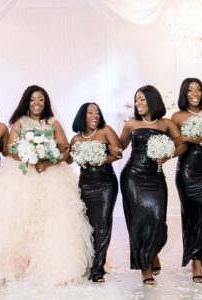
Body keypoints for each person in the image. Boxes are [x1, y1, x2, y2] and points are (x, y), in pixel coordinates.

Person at [0, 85, 93, 286]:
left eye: (40, 99)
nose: (36, 103)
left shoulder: (53, 122)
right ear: (26, 102)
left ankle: (49, 263)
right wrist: (30, 155)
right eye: (32, 99)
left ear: (45, 102)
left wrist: (48, 160)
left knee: (51, 219)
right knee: (16, 218)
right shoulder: (19, 123)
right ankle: (17, 263)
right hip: (21, 173)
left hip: (50, 174)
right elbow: (11, 149)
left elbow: (65, 148)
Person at [118, 85, 186, 285]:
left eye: (142, 99)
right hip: (132, 177)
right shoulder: (131, 124)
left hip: (155, 177)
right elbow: (120, 145)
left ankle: (152, 251)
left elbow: (181, 144)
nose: (138, 103)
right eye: (136, 99)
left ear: (152, 100)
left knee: (157, 220)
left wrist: (166, 156)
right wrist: (98, 140)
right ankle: (145, 266)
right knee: (138, 221)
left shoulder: (166, 123)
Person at [69, 102, 122, 282]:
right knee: (89, 225)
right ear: (82, 116)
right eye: (90, 112)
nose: (95, 115)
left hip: (106, 183)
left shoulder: (106, 130)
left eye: (97, 112)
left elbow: (118, 153)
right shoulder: (76, 140)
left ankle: (98, 269)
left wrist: (102, 159)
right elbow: (69, 159)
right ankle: (90, 262)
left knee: (103, 224)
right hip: (85, 184)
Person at [171, 78, 202, 283]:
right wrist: (186, 138)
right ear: (184, 94)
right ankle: (195, 260)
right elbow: (172, 146)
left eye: (199, 89)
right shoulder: (177, 117)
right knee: (193, 215)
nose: (195, 93)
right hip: (188, 172)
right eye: (190, 90)